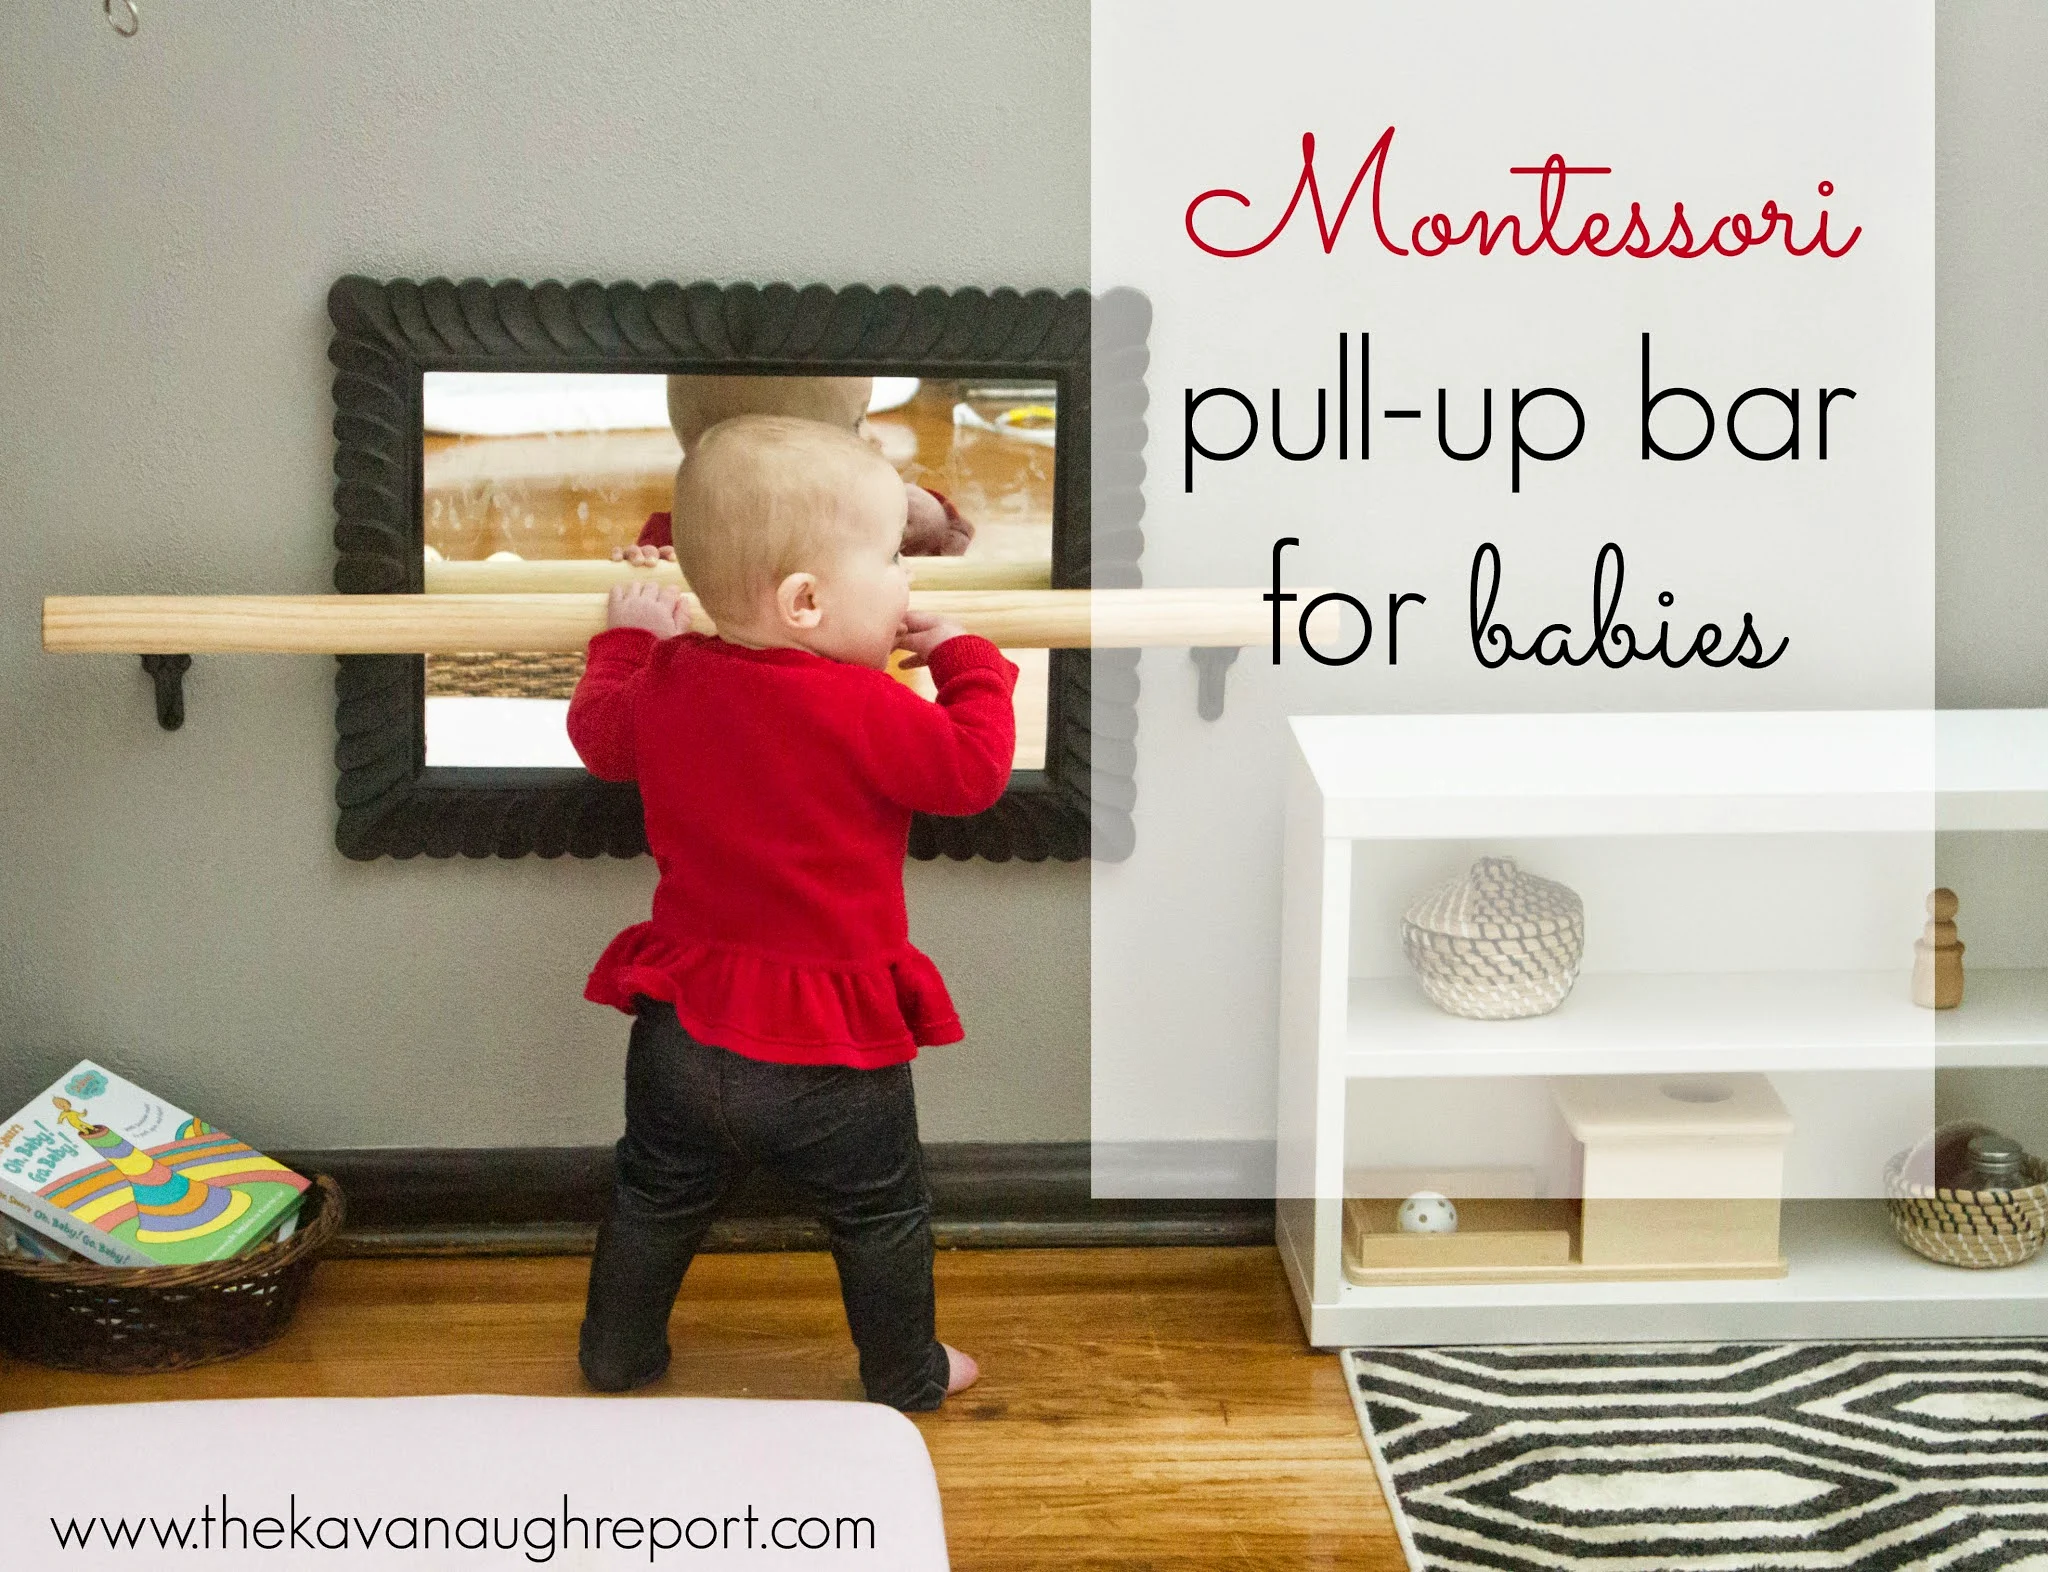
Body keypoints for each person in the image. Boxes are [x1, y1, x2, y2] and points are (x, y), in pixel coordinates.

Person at [569, 413, 1016, 1410]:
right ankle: (905, 1372)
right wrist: (967, 661)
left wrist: (623, 641)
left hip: (682, 1032)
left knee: (652, 1197)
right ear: (808, 601)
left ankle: (616, 1352)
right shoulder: (869, 710)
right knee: (880, 1218)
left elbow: (600, 740)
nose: (906, 586)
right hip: (832, 1054)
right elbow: (975, 770)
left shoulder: (672, 676)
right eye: (893, 562)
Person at [616, 375, 973, 566]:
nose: (875, 439)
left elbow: (939, 564)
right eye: (856, 422)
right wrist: (643, 571)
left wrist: (931, 520)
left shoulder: (860, 522)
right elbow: (647, 657)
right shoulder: (681, 539)